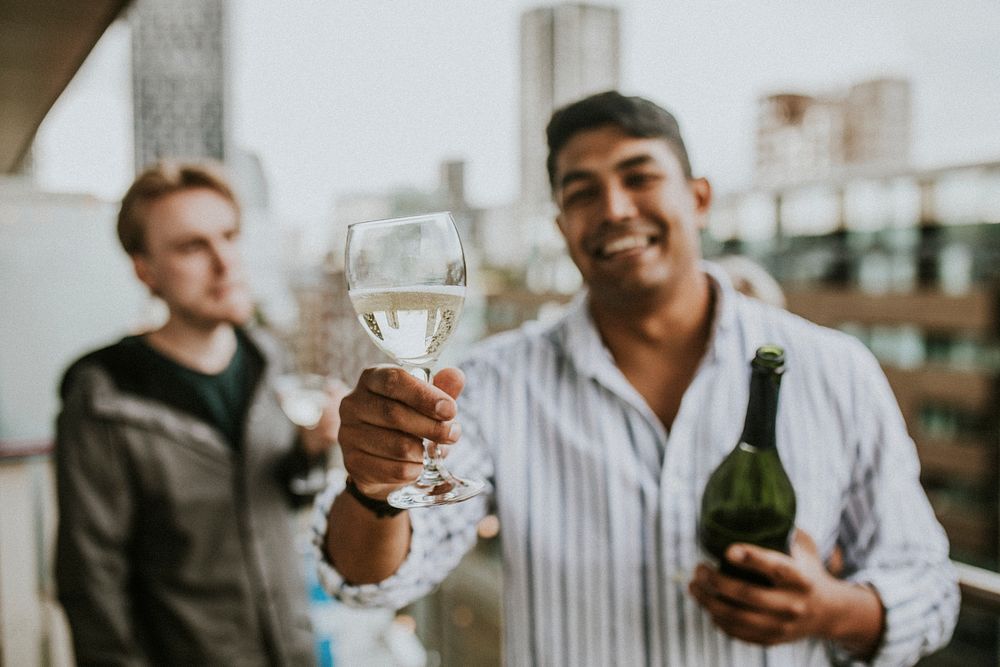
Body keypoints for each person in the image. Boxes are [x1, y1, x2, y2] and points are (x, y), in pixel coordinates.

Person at [314, 91, 959, 665]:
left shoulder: (837, 372)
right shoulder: (490, 384)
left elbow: (928, 586)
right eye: (582, 192)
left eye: (639, 177)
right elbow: (371, 580)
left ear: (699, 198)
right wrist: (375, 489)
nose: (615, 208)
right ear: (562, 228)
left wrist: (833, 611)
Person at [55, 160, 341, 666]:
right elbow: (91, 583)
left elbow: (276, 499)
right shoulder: (104, 399)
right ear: (146, 270)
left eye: (229, 236)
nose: (225, 261)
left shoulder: (267, 357)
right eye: (192, 246)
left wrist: (310, 453)